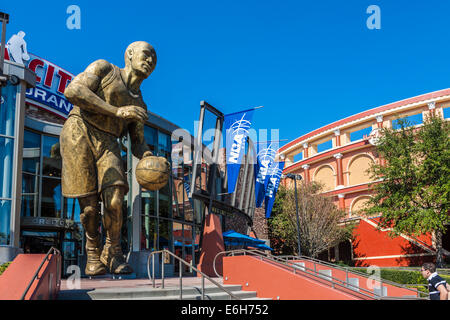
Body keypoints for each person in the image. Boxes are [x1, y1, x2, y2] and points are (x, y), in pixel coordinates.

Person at [60, 41, 158, 276]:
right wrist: (116, 111)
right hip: (79, 129)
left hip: (109, 143)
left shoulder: (139, 104)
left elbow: (137, 142)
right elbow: (73, 91)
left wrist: (149, 158)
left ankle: (112, 252)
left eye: (154, 59)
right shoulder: (104, 69)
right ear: (130, 55)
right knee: (90, 209)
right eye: (146, 54)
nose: (150, 60)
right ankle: (92, 252)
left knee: (115, 200)